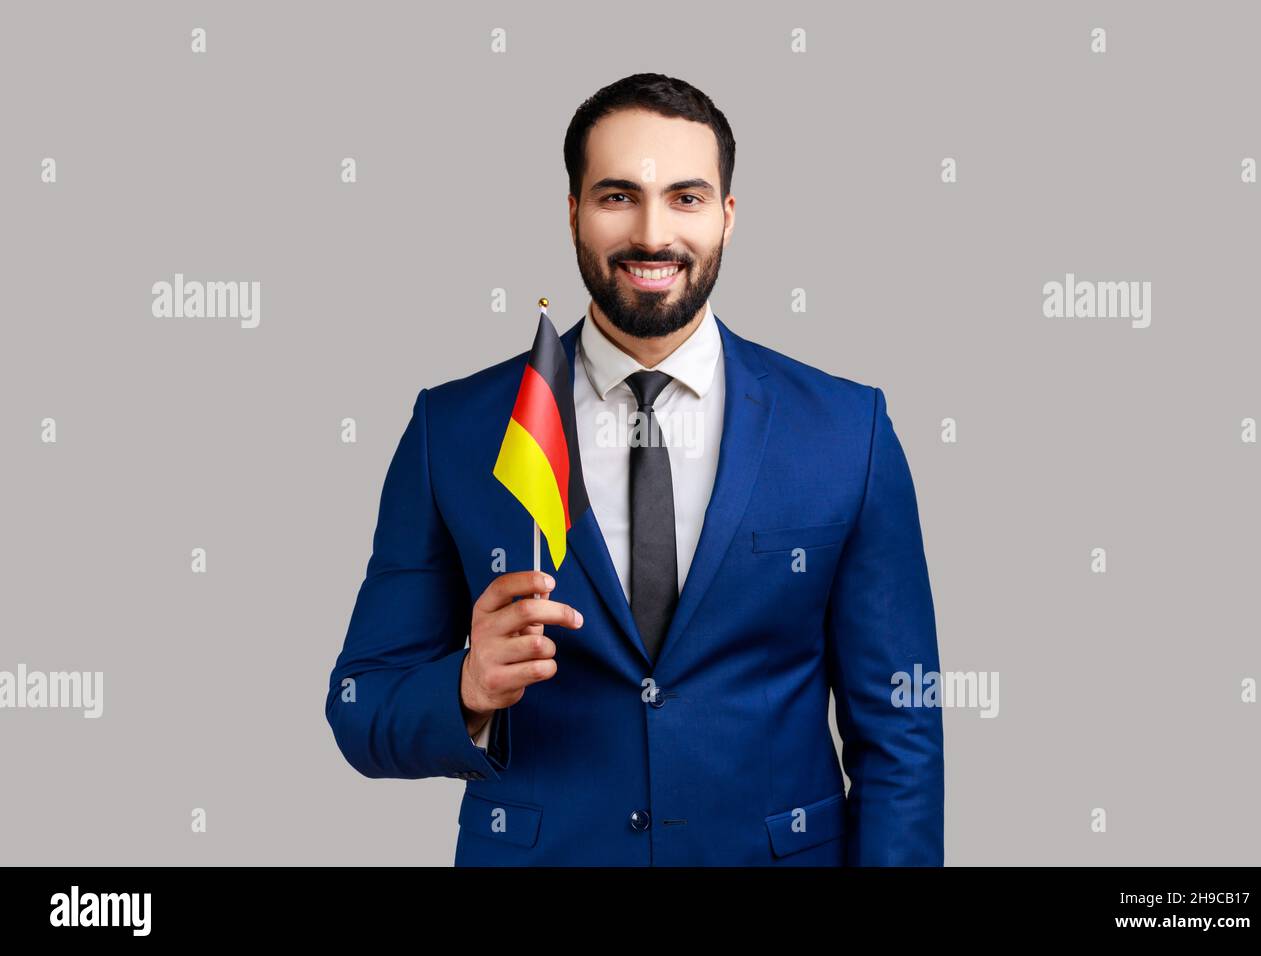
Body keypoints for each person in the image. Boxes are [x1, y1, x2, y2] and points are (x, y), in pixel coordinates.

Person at [325, 73, 943, 866]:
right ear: (573, 211)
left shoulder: (846, 430)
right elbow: (360, 708)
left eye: (686, 197)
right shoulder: (453, 430)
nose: (654, 233)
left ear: (727, 215)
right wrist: (467, 689)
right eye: (619, 196)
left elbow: (904, 739)